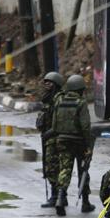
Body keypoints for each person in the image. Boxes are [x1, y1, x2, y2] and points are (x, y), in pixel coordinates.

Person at [51, 74, 96, 216]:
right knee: (83, 171)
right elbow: (86, 127)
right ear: (80, 90)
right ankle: (85, 202)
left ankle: (60, 199)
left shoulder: (59, 101)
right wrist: (89, 146)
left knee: (64, 170)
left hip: (63, 141)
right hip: (79, 142)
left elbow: (54, 124)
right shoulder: (81, 103)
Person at [36, 71, 64, 208]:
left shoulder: (58, 100)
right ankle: (58, 196)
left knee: (53, 168)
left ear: (56, 84)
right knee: (49, 167)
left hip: (55, 138)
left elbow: (59, 121)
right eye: (45, 82)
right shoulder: (47, 99)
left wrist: (49, 133)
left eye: (49, 82)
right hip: (48, 137)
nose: (46, 84)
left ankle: (56, 196)